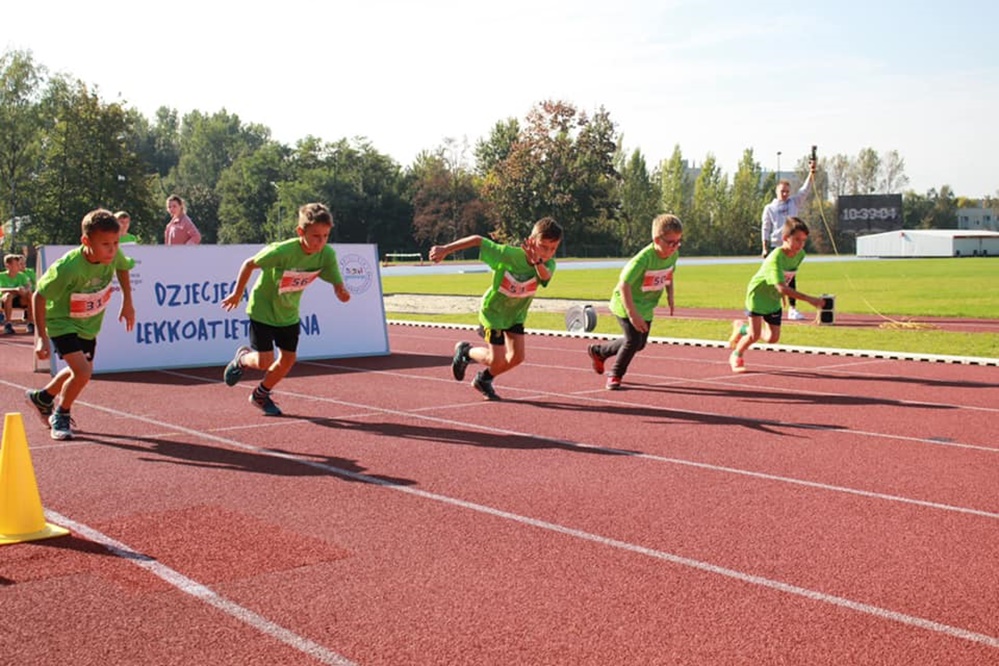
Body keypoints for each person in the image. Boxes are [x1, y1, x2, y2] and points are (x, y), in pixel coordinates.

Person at [220, 202, 350, 416]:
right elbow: (249, 264)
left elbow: (336, 280)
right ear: (301, 232)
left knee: (288, 359)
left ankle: (260, 395)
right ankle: (242, 359)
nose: (321, 242)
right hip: (263, 309)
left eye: (326, 236)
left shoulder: (326, 254)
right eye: (316, 236)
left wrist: (340, 290)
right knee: (264, 361)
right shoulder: (282, 251)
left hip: (288, 313)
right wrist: (237, 293)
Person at [24, 209, 135, 440]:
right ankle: (61, 414)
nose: (112, 249)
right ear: (86, 241)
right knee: (83, 372)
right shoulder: (68, 268)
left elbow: (123, 267)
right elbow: (39, 296)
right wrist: (42, 338)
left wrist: (127, 301)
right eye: (105, 244)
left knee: (82, 371)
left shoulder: (113, 253)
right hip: (61, 321)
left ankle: (43, 398)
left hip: (88, 323)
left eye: (115, 243)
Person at [429, 217, 563, 401]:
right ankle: (465, 352)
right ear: (531, 241)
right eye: (544, 247)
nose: (548, 253)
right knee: (496, 360)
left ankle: (484, 379)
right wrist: (445, 249)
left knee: (517, 358)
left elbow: (545, 276)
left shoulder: (548, 264)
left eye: (553, 248)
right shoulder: (507, 254)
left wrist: (537, 263)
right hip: (493, 313)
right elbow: (477, 240)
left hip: (515, 315)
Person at [587, 214, 683, 390]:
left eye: (678, 242)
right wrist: (632, 314)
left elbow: (669, 274)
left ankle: (599, 352)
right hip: (625, 303)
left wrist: (670, 295)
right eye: (671, 243)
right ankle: (615, 374)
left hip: (646, 305)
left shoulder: (673, 255)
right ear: (657, 239)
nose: (675, 247)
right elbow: (624, 285)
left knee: (639, 344)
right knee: (632, 340)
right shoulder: (642, 259)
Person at [729, 216, 825, 373]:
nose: (800, 245)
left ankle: (742, 328)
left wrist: (783, 296)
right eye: (797, 240)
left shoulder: (800, 255)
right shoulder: (775, 258)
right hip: (758, 297)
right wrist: (810, 300)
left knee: (772, 339)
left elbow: (787, 277)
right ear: (785, 238)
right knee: (754, 336)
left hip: (773, 299)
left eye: (803, 241)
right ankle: (736, 355)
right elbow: (781, 287)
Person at [761, 157, 816, 320]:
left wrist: (811, 173)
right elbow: (765, 227)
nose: (785, 194)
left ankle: (792, 309)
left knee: (790, 278)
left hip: (791, 246)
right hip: (776, 245)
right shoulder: (770, 208)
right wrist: (764, 247)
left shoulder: (794, 202)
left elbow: (805, 189)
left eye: (787, 191)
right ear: (776, 192)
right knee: (772, 278)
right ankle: (766, 305)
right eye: (782, 191)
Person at [0, 253, 34, 335]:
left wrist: (24, 291)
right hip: (4, 302)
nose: (19, 266)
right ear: (8, 265)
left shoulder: (22, 276)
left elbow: (28, 287)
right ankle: (8, 324)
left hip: (19, 300)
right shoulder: (1, 276)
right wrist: (14, 290)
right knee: (8, 295)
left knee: (30, 295)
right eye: (16, 264)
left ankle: (30, 323)